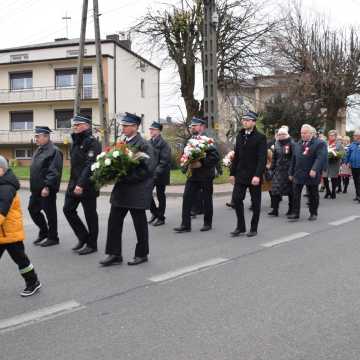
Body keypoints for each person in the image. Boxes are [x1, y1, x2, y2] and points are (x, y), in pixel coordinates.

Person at [100, 113, 155, 267]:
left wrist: (126, 175)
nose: (123, 128)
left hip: (137, 191)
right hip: (121, 191)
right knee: (114, 222)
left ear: (135, 127)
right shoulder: (121, 143)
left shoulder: (144, 145)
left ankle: (142, 253)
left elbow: (148, 169)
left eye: (126, 125)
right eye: (122, 125)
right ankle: (114, 254)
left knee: (140, 224)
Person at [0, 156, 42, 297]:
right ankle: (33, 281)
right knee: (21, 259)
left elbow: (2, 211)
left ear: (1, 170)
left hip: (10, 233)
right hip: (2, 233)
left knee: (21, 260)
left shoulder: (6, 188)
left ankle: (33, 282)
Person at [63, 114, 101, 255]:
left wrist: (81, 184)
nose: (75, 127)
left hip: (87, 185)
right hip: (74, 184)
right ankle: (83, 237)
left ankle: (92, 244)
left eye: (78, 125)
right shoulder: (76, 141)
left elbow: (90, 165)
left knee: (90, 214)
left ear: (87, 126)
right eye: (75, 125)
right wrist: (73, 183)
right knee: (68, 209)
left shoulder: (93, 142)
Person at [174, 117, 220, 233]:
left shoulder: (208, 140)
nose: (192, 127)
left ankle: (207, 223)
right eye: (191, 126)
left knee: (206, 199)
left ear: (201, 126)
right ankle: (185, 225)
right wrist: (185, 166)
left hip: (205, 175)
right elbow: (183, 156)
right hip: (192, 175)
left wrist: (201, 163)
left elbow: (215, 157)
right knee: (186, 198)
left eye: (195, 125)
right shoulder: (188, 141)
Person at [229, 111, 267, 237]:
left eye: (248, 120)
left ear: (253, 122)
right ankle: (241, 226)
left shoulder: (260, 137)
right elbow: (236, 156)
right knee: (236, 199)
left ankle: (253, 228)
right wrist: (232, 173)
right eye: (244, 120)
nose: (245, 122)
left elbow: (262, 158)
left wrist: (257, 175)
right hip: (240, 174)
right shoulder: (240, 136)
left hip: (254, 175)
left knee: (255, 203)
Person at [29, 126, 63, 247]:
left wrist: (47, 187)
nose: (36, 138)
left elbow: (54, 171)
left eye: (38, 136)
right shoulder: (39, 149)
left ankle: (53, 237)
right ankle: (44, 232)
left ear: (46, 136)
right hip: (36, 189)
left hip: (46, 189)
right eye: (36, 136)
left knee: (50, 213)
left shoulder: (54, 150)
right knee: (32, 210)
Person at [288, 124, 327, 221]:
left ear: (311, 133)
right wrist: (290, 173)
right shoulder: (298, 144)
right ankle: (295, 213)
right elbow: (294, 159)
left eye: (305, 133)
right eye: (302, 133)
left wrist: (314, 169)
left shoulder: (319, 143)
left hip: (311, 173)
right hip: (298, 173)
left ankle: (313, 213)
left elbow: (320, 157)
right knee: (296, 194)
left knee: (313, 194)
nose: (303, 135)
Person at [268, 126, 295, 217]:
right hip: (278, 170)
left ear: (287, 135)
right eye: (279, 134)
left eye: (283, 134)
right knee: (274, 190)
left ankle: (291, 209)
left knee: (290, 191)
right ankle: (275, 210)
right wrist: (271, 169)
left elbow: (294, 158)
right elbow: (274, 158)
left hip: (288, 171)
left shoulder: (291, 143)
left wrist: (292, 171)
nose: (281, 136)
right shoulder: (277, 144)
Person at [148, 121, 171, 226]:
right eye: (150, 129)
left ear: (158, 131)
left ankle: (161, 218)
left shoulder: (164, 144)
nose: (151, 131)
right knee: (147, 193)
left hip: (161, 174)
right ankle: (155, 213)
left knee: (160, 195)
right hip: (150, 174)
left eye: (153, 129)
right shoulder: (149, 142)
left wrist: (155, 173)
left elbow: (164, 162)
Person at [323, 130, 344, 199]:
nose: (331, 137)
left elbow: (342, 153)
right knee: (324, 177)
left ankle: (333, 192)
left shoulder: (339, 144)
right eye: (330, 135)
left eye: (333, 135)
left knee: (333, 178)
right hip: (326, 163)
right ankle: (328, 191)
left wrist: (337, 155)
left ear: (335, 136)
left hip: (334, 163)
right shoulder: (325, 143)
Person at [345, 129, 360, 202]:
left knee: (359, 181)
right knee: (356, 181)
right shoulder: (352, 145)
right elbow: (348, 154)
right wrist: (346, 162)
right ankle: (357, 195)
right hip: (353, 166)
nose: (353, 137)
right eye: (354, 135)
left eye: (355, 135)